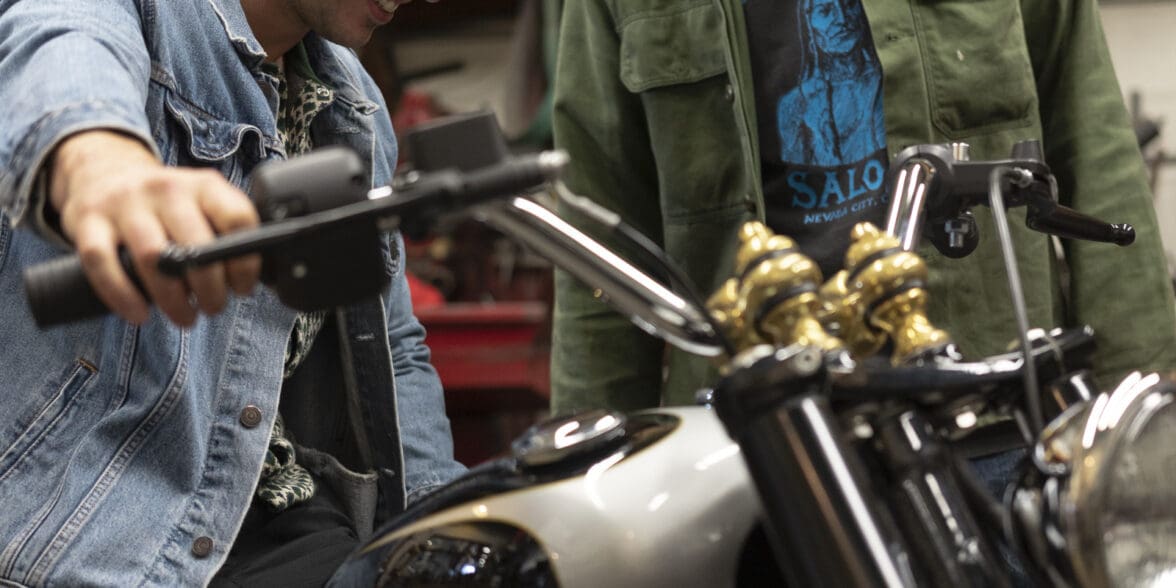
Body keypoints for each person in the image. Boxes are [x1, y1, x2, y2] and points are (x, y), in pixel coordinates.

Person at [0, 0, 468, 585]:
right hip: (91, 528)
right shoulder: (146, 16)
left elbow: (395, 349)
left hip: (280, 516)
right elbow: (65, 38)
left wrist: (446, 524)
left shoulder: (356, 110)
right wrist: (101, 160)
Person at [549, 0, 1176, 414]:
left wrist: (1141, 421)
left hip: (993, 405)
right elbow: (600, 250)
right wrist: (589, 467)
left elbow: (1096, 157)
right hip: (755, 442)